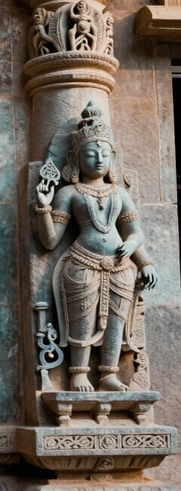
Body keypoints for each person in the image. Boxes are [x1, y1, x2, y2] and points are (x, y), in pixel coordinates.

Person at [35, 103, 157, 392]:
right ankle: (78, 373)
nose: (98, 159)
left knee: (117, 320)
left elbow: (135, 233)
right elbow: (50, 241)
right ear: (75, 158)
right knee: (81, 317)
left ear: (113, 157)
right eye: (90, 153)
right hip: (81, 263)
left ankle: (108, 374)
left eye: (104, 153)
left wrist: (145, 260)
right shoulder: (68, 193)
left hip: (121, 266)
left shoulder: (120, 193)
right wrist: (42, 210)